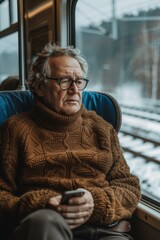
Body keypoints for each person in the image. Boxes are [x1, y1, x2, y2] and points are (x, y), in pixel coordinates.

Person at [0, 43, 141, 240]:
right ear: (40, 87)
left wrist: (95, 202)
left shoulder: (102, 128)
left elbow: (129, 187)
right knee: (45, 222)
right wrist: (42, 204)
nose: (75, 90)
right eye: (65, 81)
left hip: (103, 231)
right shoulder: (15, 129)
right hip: (45, 226)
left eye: (79, 81)